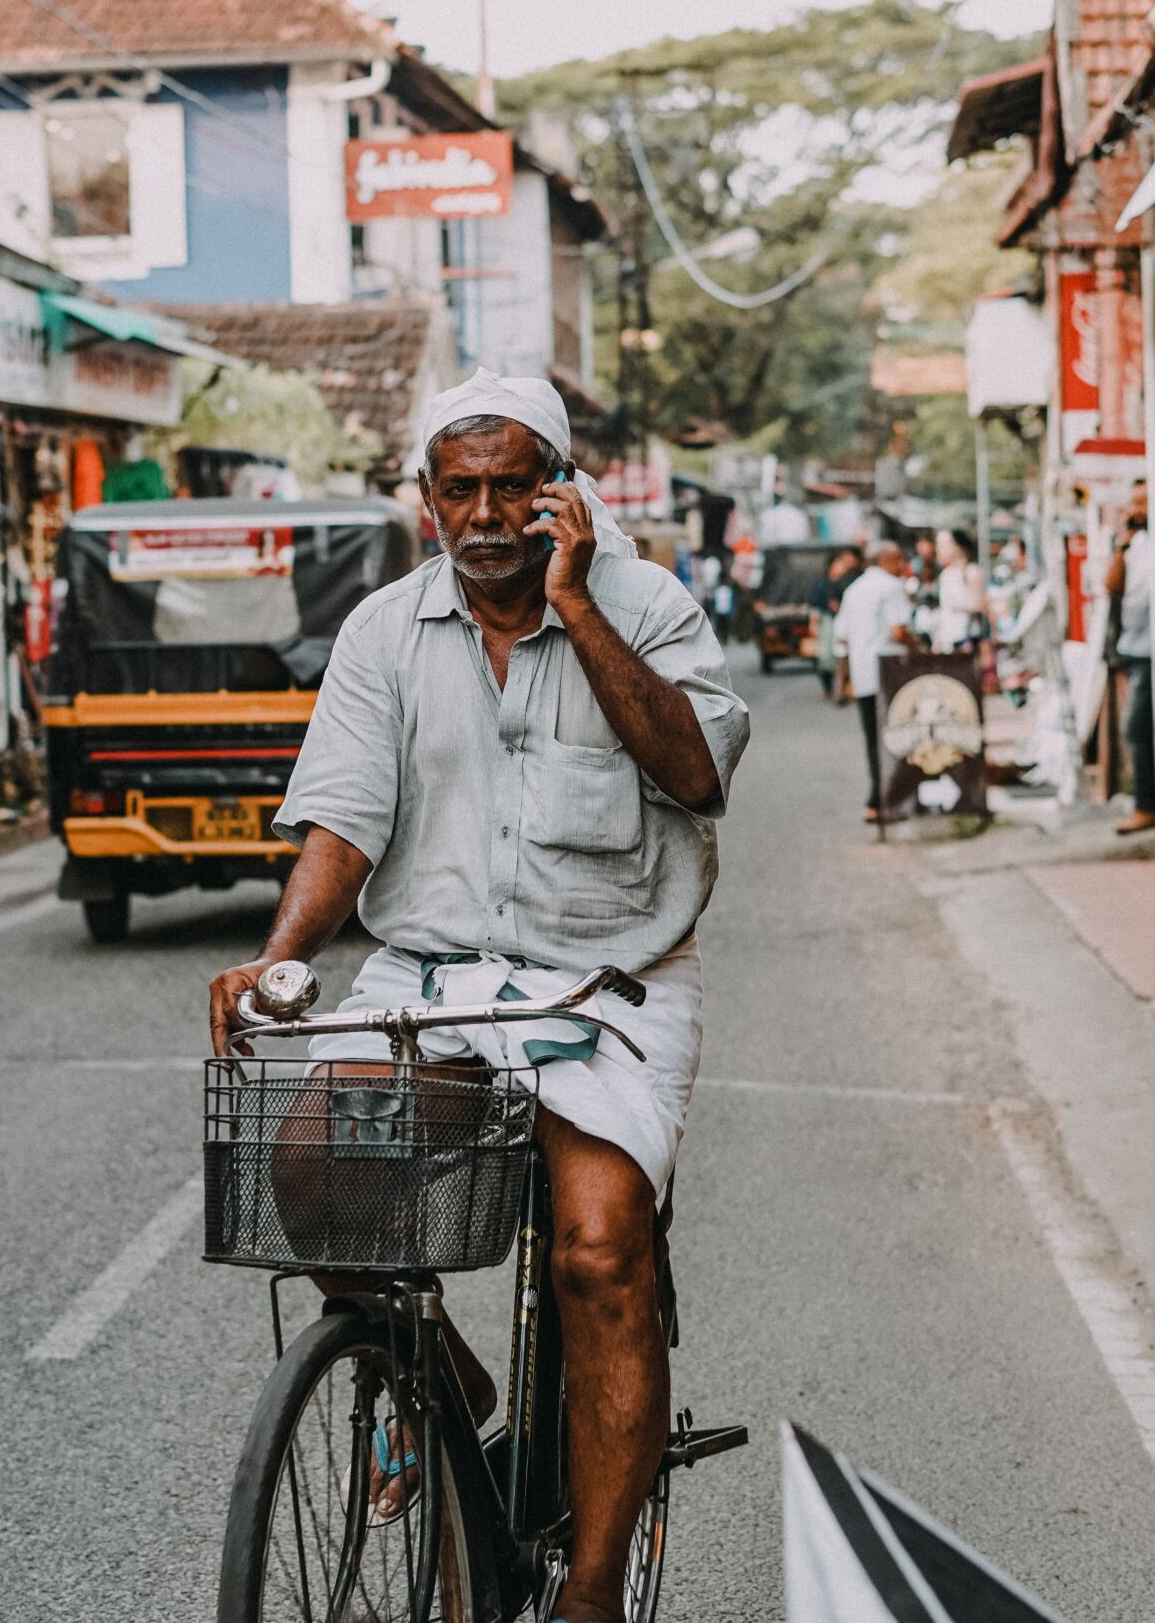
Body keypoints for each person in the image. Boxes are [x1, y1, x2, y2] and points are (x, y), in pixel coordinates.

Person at [208, 368, 749, 1623]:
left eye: (516, 485)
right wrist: (278, 954)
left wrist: (578, 609)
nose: (490, 514)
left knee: (600, 1245)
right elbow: (342, 820)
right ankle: (443, 1376)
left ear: (564, 492)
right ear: (426, 500)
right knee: (302, 1168)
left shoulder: (650, 608)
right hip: (436, 980)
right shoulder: (384, 632)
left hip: (609, 981)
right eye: (464, 490)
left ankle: (592, 1598)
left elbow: (692, 772)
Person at [832, 539, 913, 822]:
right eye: (899, 560)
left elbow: (840, 634)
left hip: (864, 674)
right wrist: (917, 647)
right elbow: (899, 632)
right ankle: (885, 800)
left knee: (872, 738)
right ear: (886, 561)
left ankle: (876, 801)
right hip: (890, 674)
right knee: (893, 736)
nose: (903, 566)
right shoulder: (891, 587)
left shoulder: (854, 590)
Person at [1106, 478, 1155, 835]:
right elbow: (1112, 585)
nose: (1137, 510)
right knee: (1137, 728)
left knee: (1136, 726)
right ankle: (1147, 803)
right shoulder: (1134, 544)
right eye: (1133, 504)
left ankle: (1147, 804)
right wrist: (1122, 544)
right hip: (1136, 646)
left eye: (1144, 503)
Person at [811, 545, 861, 698]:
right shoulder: (822, 584)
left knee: (841, 657)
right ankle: (828, 687)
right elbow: (816, 607)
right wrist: (813, 624)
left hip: (844, 621)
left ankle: (840, 688)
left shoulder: (847, 581)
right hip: (827, 622)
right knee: (825, 656)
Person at [934, 529, 988, 654]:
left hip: (968, 641)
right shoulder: (945, 575)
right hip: (949, 644)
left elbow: (982, 605)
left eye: (942, 545)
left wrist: (962, 609)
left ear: (957, 547)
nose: (937, 549)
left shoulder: (970, 571)